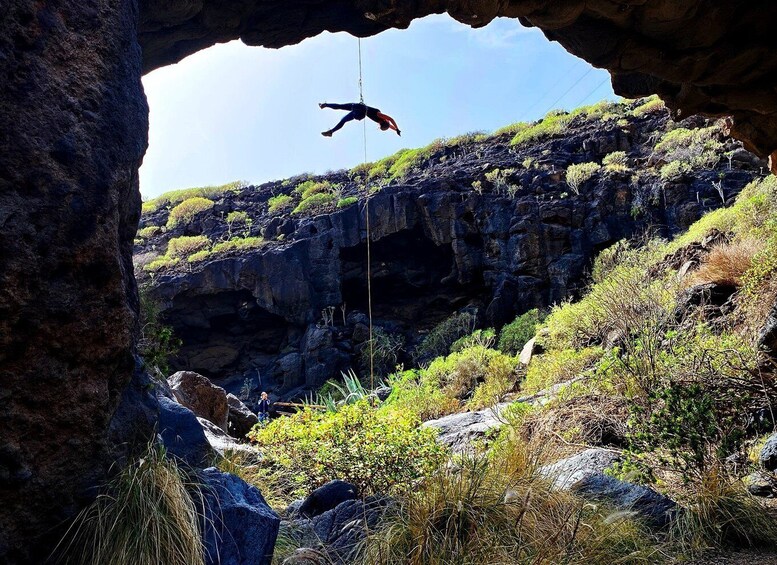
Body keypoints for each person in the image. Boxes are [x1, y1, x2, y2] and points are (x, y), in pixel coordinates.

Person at [319, 102, 401, 137]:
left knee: (341, 107)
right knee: (343, 120)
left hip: (359, 109)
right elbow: (390, 122)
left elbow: (390, 121)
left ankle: (325, 105)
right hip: (359, 112)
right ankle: (331, 132)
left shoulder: (380, 118)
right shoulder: (380, 119)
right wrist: (396, 129)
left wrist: (397, 129)